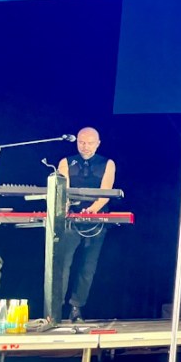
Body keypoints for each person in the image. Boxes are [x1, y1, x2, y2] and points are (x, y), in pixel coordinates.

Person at [58, 127, 116, 322]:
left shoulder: (107, 163)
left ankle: (76, 306)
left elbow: (105, 193)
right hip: (71, 219)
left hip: (96, 220)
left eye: (90, 143)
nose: (85, 146)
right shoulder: (65, 162)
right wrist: (67, 208)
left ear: (98, 144)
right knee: (63, 264)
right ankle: (56, 306)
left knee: (88, 267)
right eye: (82, 142)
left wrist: (92, 209)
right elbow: (63, 190)